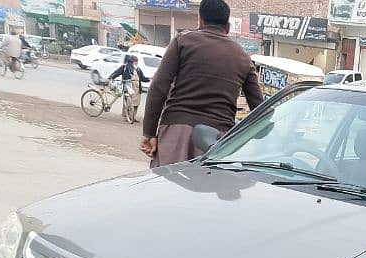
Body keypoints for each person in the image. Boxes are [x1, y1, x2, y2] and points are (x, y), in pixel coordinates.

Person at [141, 0, 264, 167]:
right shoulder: (243, 57)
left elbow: (158, 87)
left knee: (165, 188)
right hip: (216, 141)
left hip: (176, 132)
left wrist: (149, 132)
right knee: (206, 191)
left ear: (200, 21)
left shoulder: (182, 42)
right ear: (227, 27)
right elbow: (259, 109)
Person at [110, 55, 150, 122]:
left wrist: (149, 79)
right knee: (128, 102)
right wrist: (111, 78)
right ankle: (126, 116)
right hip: (129, 87)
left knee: (136, 103)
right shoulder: (125, 67)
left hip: (137, 88)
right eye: (134, 61)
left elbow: (142, 78)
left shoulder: (138, 69)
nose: (135, 63)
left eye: (136, 61)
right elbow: (116, 73)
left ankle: (133, 117)